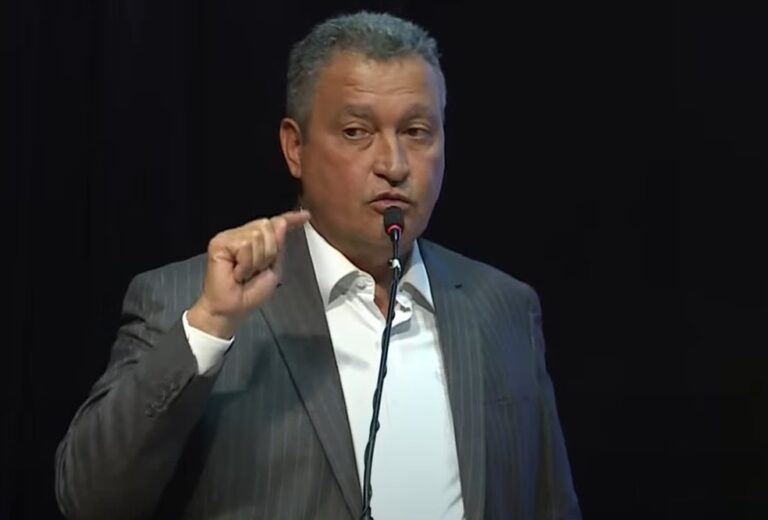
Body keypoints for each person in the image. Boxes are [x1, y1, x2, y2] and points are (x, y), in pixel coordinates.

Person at [55, 10, 581, 520]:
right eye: (356, 132)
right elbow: (90, 498)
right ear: (295, 148)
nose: (394, 165)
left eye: (417, 131)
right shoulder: (186, 300)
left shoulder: (504, 307)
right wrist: (211, 325)